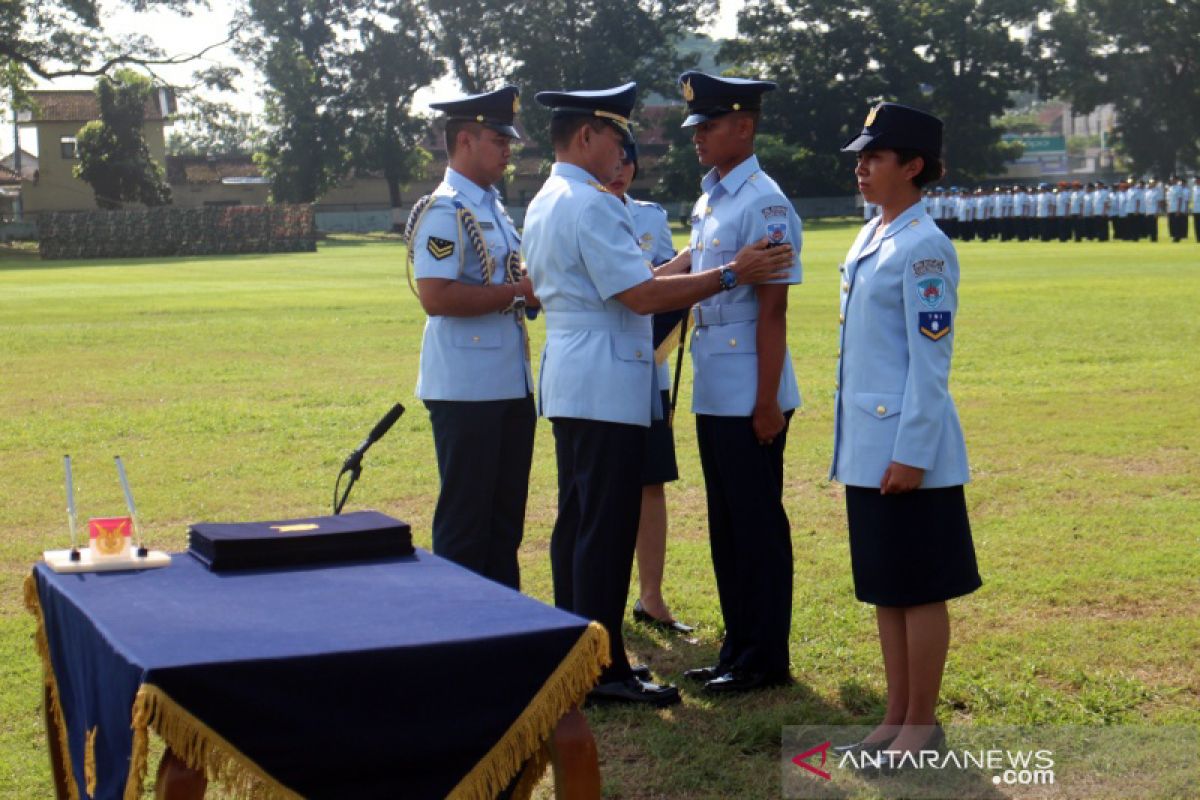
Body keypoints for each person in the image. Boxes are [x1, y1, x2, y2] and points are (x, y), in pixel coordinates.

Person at [522, 81, 794, 706]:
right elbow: (639, 298)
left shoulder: (549, 196)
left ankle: (591, 658)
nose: (623, 153)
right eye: (618, 138)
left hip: (574, 374)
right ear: (587, 135)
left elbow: (633, 278)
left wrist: (693, 261)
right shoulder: (591, 203)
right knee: (605, 530)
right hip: (606, 377)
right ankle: (601, 670)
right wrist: (728, 272)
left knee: (579, 523)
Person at [832, 102, 982, 758]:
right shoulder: (872, 235)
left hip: (905, 451)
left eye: (876, 157)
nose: (862, 167)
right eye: (861, 157)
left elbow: (931, 363)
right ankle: (897, 711)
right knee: (888, 588)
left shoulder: (924, 246)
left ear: (914, 166)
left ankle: (922, 720)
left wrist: (913, 453)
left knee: (919, 589)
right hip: (869, 447)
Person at [674, 70, 803, 694]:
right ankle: (737, 647)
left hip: (753, 391)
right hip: (714, 387)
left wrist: (765, 402)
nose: (697, 136)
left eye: (709, 124)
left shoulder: (765, 202)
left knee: (756, 525)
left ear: (744, 127)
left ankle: (766, 657)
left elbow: (774, 311)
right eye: (695, 126)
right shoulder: (711, 200)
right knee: (726, 525)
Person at [405, 86, 536, 590]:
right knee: (466, 525)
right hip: (466, 388)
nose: (508, 149)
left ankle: (504, 631)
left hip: (507, 382)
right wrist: (517, 293)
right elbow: (435, 296)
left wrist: (525, 292)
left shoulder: (495, 209)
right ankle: (461, 633)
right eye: (498, 139)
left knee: (504, 525)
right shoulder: (446, 209)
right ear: (464, 140)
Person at [605, 137, 696, 636]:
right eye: (612, 159)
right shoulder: (586, 212)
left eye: (628, 161)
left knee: (650, 484)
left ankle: (651, 596)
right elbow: (637, 291)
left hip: (648, 370)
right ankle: (602, 602)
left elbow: (668, 298)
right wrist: (678, 266)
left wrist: (682, 268)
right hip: (604, 369)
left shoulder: (650, 217)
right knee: (604, 490)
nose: (620, 169)